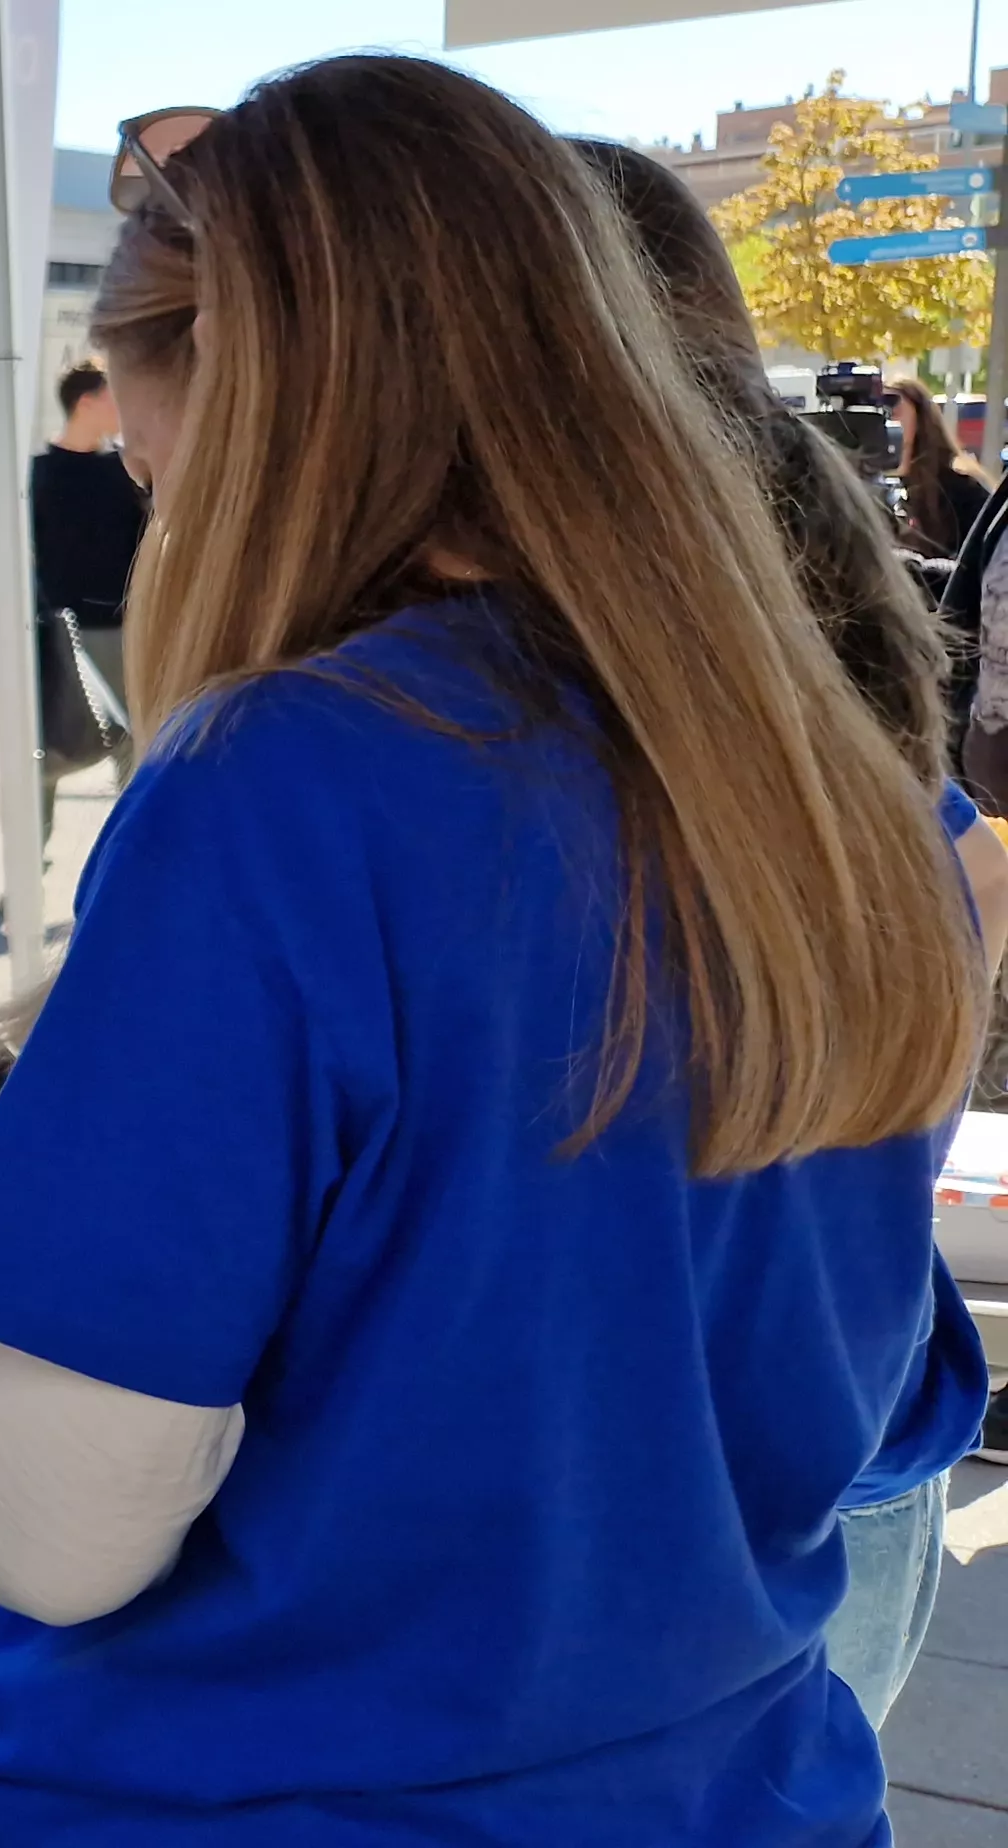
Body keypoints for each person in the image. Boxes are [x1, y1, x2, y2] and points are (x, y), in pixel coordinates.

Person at [0, 61, 991, 1843]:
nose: (153, 498)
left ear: (246, 388)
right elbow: (850, 1392)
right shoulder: (848, 782)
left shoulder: (281, 783)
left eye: (151, 448)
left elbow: (56, 1522)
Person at [577, 137, 1004, 1729]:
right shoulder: (814, 648)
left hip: (696, 1479)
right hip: (855, 1421)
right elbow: (969, 875)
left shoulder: (488, 744)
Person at [29, 362, 143, 694]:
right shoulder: (38, 474)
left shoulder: (127, 468)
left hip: (124, 627)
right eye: (112, 399)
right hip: (64, 632)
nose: (120, 409)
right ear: (85, 403)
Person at [893, 376, 989, 561]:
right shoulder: (865, 483)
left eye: (894, 410)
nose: (887, 422)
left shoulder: (959, 484)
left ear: (920, 418)